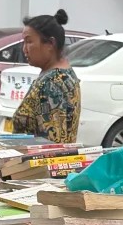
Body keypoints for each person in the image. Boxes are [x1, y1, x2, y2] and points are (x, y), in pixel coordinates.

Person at [11, 9, 80, 143]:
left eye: (29, 42)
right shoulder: (59, 74)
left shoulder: (53, 82)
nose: (24, 49)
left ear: (50, 44)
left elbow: (51, 146)